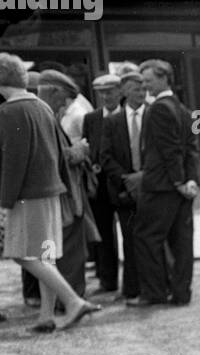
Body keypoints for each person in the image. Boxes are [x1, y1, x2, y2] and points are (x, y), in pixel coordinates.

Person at [0, 53, 100, 332]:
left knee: (24, 255)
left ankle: (72, 301)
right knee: (45, 255)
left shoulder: (8, 112)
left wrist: (5, 201)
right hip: (50, 192)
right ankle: (46, 316)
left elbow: (13, 162)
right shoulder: (42, 107)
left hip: (26, 196)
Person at [129, 59, 199, 307]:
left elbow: (169, 150)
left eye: (148, 80)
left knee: (146, 237)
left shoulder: (158, 108)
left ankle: (153, 293)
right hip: (179, 187)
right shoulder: (183, 109)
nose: (144, 85)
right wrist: (190, 180)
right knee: (181, 242)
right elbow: (190, 150)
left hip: (161, 186)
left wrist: (179, 181)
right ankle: (181, 293)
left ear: (164, 78)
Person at [32, 69, 99, 307]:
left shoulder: (42, 114)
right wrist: (81, 150)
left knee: (56, 252)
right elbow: (59, 157)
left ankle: (62, 300)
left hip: (57, 197)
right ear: (54, 92)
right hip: (66, 198)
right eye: (63, 97)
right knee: (69, 252)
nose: (65, 103)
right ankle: (70, 300)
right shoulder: (47, 116)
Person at [98, 68, 146, 303]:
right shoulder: (112, 122)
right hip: (123, 191)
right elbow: (105, 156)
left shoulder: (153, 115)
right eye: (136, 89)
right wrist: (126, 179)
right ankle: (131, 288)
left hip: (149, 187)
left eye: (143, 88)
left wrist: (144, 177)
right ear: (125, 91)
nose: (141, 93)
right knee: (129, 239)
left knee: (150, 238)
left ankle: (153, 285)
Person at [83, 73, 122, 296]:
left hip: (122, 184)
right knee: (103, 235)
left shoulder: (128, 114)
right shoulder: (92, 118)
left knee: (131, 233)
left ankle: (134, 283)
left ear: (120, 91)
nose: (106, 96)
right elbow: (89, 146)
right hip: (99, 186)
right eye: (102, 93)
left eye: (110, 91)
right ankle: (107, 280)